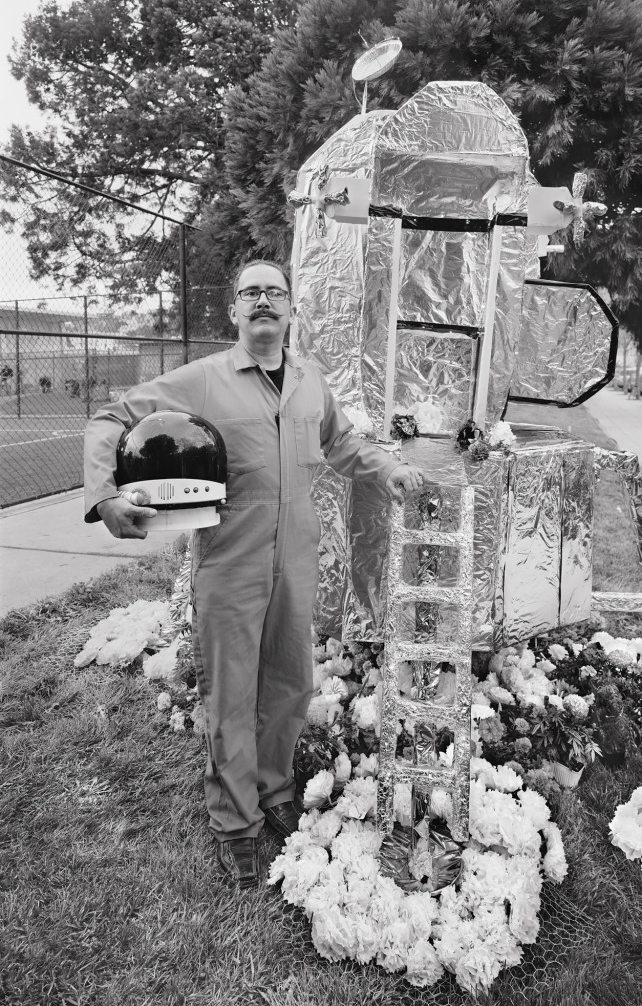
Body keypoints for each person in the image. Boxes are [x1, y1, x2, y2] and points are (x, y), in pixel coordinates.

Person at [84, 259, 424, 889]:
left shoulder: (309, 380)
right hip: (230, 559)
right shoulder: (205, 379)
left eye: (275, 291)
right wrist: (106, 496)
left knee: (291, 684)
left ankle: (274, 789)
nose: (264, 300)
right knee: (232, 694)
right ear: (234, 311)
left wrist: (388, 469)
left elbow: (344, 443)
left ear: (291, 309)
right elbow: (110, 417)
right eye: (251, 292)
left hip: (297, 559)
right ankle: (235, 822)